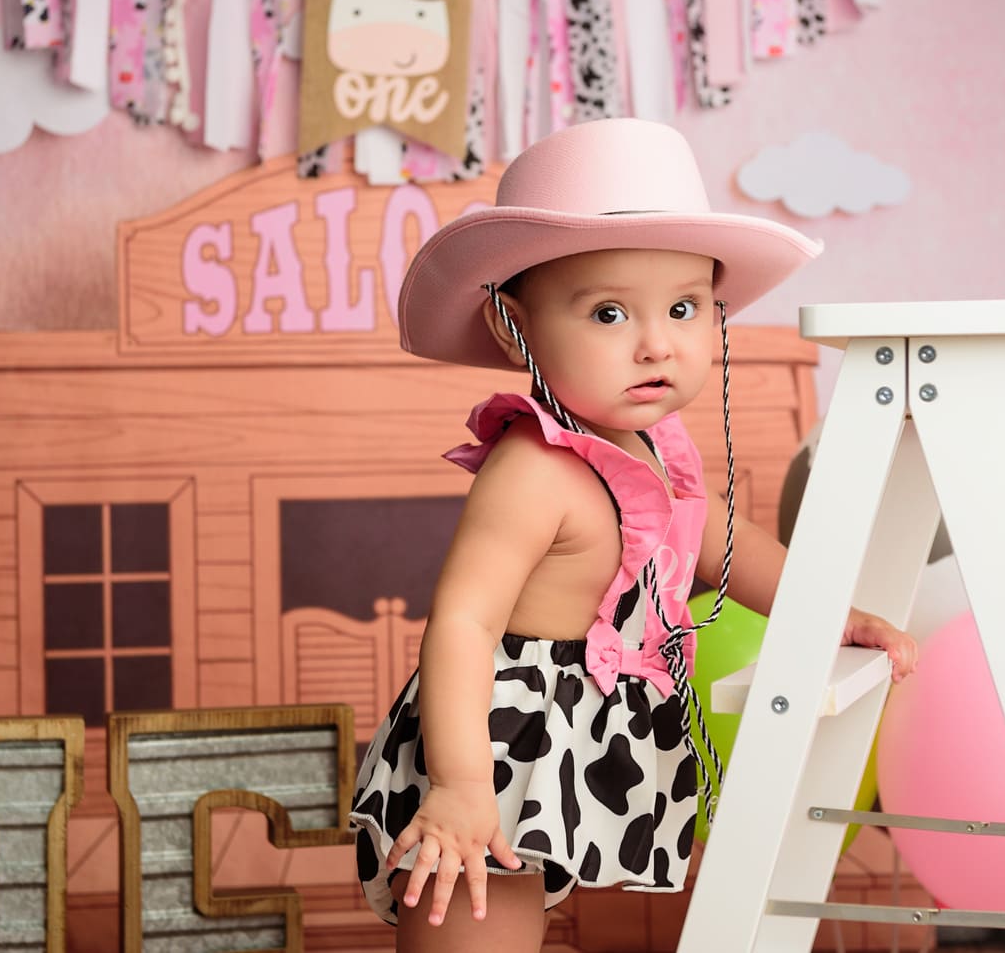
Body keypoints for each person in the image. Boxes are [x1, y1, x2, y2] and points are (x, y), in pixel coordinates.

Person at [349, 118, 918, 952]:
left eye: (684, 308)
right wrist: (464, 782)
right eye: (610, 312)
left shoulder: (650, 446)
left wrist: (829, 609)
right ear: (517, 329)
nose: (657, 344)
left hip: (582, 727)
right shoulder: (532, 467)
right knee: (475, 925)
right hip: (497, 735)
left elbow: (722, 544)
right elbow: (464, 620)